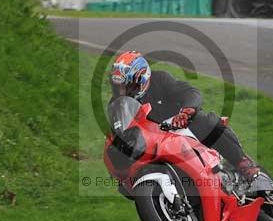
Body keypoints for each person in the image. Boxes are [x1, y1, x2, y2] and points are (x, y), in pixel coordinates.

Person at [109, 50, 260, 180]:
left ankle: (241, 161)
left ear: (141, 79)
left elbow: (191, 92)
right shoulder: (117, 105)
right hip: (154, 144)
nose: (123, 92)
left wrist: (186, 111)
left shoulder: (160, 79)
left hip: (181, 127)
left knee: (203, 120)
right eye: (119, 88)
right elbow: (120, 131)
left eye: (127, 87)